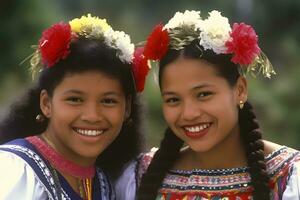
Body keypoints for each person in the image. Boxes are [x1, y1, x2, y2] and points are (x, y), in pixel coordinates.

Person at [115, 10, 300, 200]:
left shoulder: (288, 176)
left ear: (240, 90)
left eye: (204, 94)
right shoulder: (139, 178)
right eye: (173, 100)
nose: (188, 113)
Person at [0, 13, 149, 200]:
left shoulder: (108, 185)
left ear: (126, 108)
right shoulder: (13, 171)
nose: (92, 116)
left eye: (108, 101)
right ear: (46, 103)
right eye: (75, 100)